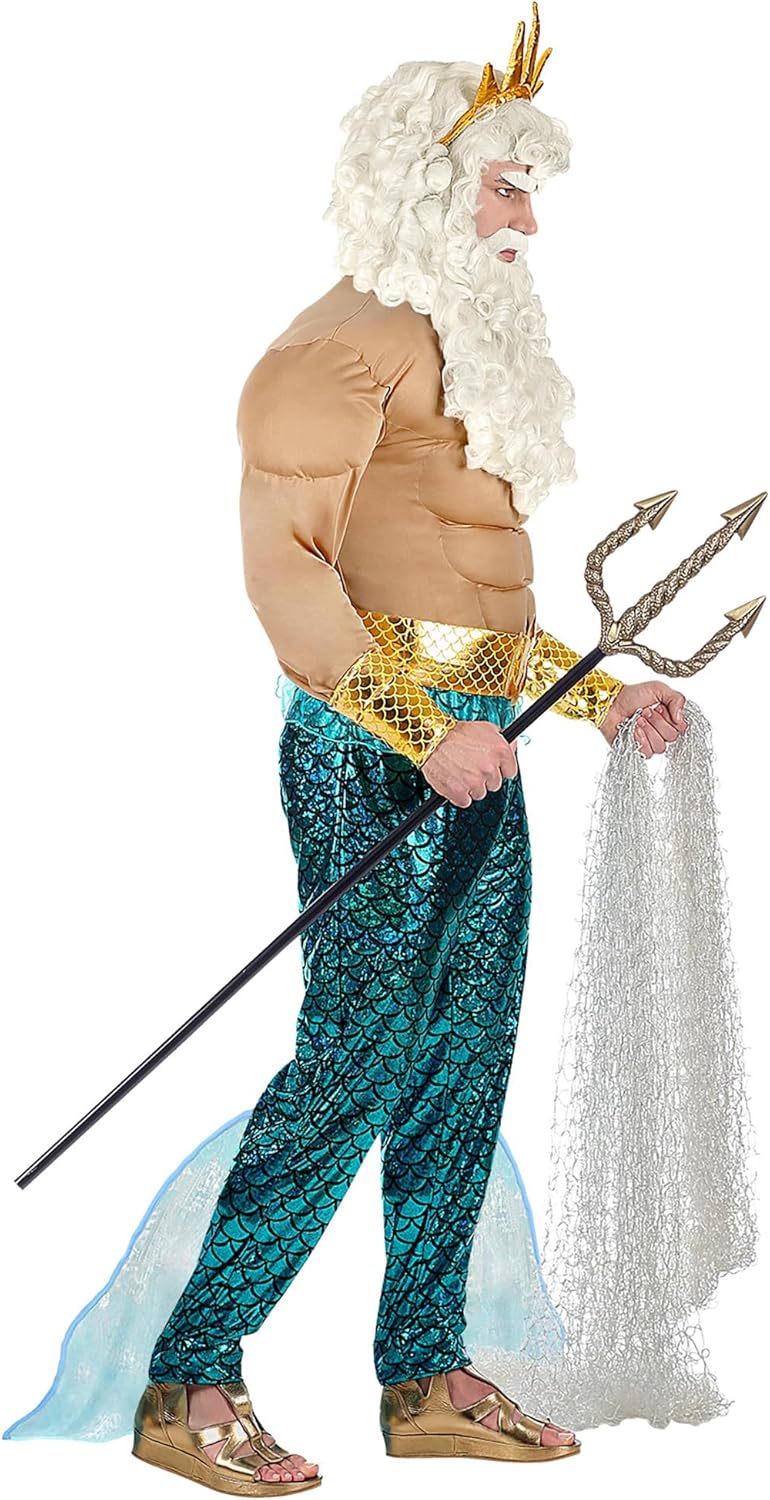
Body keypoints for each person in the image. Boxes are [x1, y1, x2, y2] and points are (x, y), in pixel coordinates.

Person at [3, 5, 688, 1490]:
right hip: (368, 750)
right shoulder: (334, 351)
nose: (525, 220)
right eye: (503, 185)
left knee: (463, 1057)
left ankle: (425, 1376)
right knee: (355, 1059)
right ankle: (187, 1381)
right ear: (428, 180)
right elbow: (289, 580)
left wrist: (593, 697)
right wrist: (419, 730)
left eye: (529, 191)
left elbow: (467, 613)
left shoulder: (464, 357)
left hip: (474, 747)